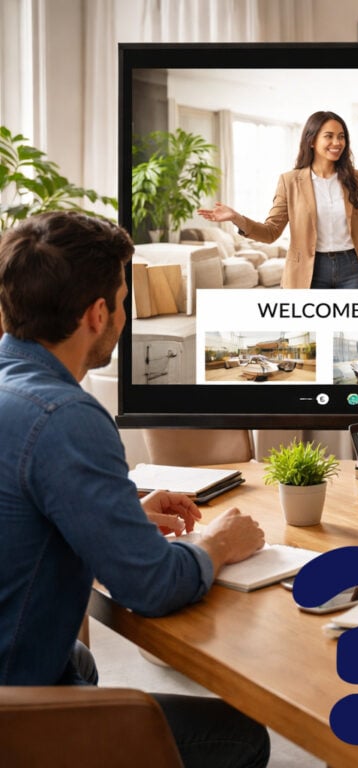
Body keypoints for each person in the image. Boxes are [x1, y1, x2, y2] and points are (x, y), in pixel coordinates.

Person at [0, 212, 270, 768]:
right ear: (98, 314)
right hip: (11, 706)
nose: (125, 316)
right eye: (124, 301)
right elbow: (152, 586)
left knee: (80, 661)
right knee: (241, 735)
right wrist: (220, 543)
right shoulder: (65, 416)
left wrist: (121, 515)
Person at [198, 110, 358, 289]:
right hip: (308, 270)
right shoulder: (290, 181)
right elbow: (271, 232)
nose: (337, 142)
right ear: (311, 140)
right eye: (329, 136)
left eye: (341, 136)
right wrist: (236, 217)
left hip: (353, 268)